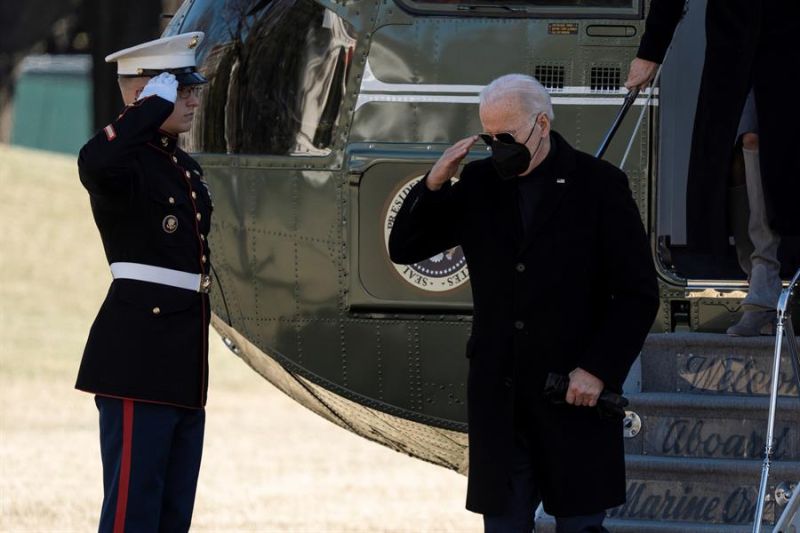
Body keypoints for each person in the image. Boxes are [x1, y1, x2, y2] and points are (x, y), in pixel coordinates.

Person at [389, 74, 659, 532]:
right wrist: (433, 184)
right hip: (501, 399)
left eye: (507, 137)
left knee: (580, 526)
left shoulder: (599, 185)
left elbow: (637, 293)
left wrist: (597, 369)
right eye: (489, 137)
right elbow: (406, 247)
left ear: (541, 123)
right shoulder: (478, 183)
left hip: (572, 397)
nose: (497, 148)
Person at [75, 32, 213, 532]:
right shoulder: (122, 162)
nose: (194, 97)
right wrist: (145, 112)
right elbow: (94, 161)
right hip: (139, 356)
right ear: (145, 93)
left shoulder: (182, 167)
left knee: (173, 512)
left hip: (181, 358)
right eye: (181, 88)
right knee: (134, 510)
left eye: (194, 87)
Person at [625, 0, 800, 335]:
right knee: (746, 143)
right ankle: (762, 283)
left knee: (771, 151)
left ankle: (765, 286)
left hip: (790, 41)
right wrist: (651, 50)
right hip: (735, 47)